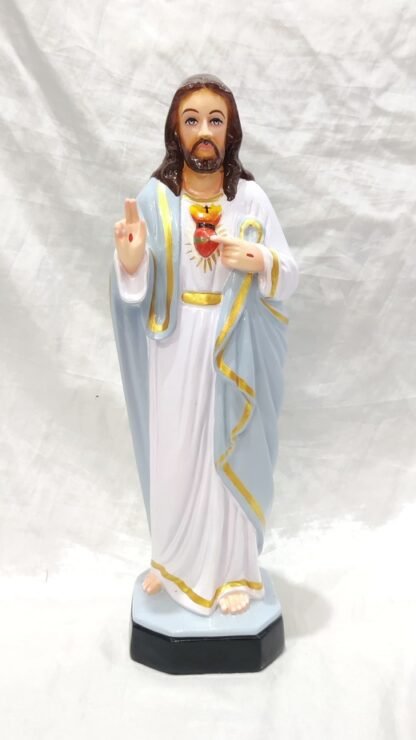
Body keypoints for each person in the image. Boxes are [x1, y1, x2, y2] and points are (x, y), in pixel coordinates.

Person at [110, 74, 298, 617]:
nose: (204, 132)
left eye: (216, 120)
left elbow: (290, 272)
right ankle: (171, 562)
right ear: (176, 130)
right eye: (192, 120)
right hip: (173, 347)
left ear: (231, 131)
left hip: (233, 341)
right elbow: (136, 282)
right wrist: (131, 262)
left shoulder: (251, 198)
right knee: (174, 455)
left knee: (225, 453)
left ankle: (234, 571)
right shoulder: (156, 198)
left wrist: (260, 261)